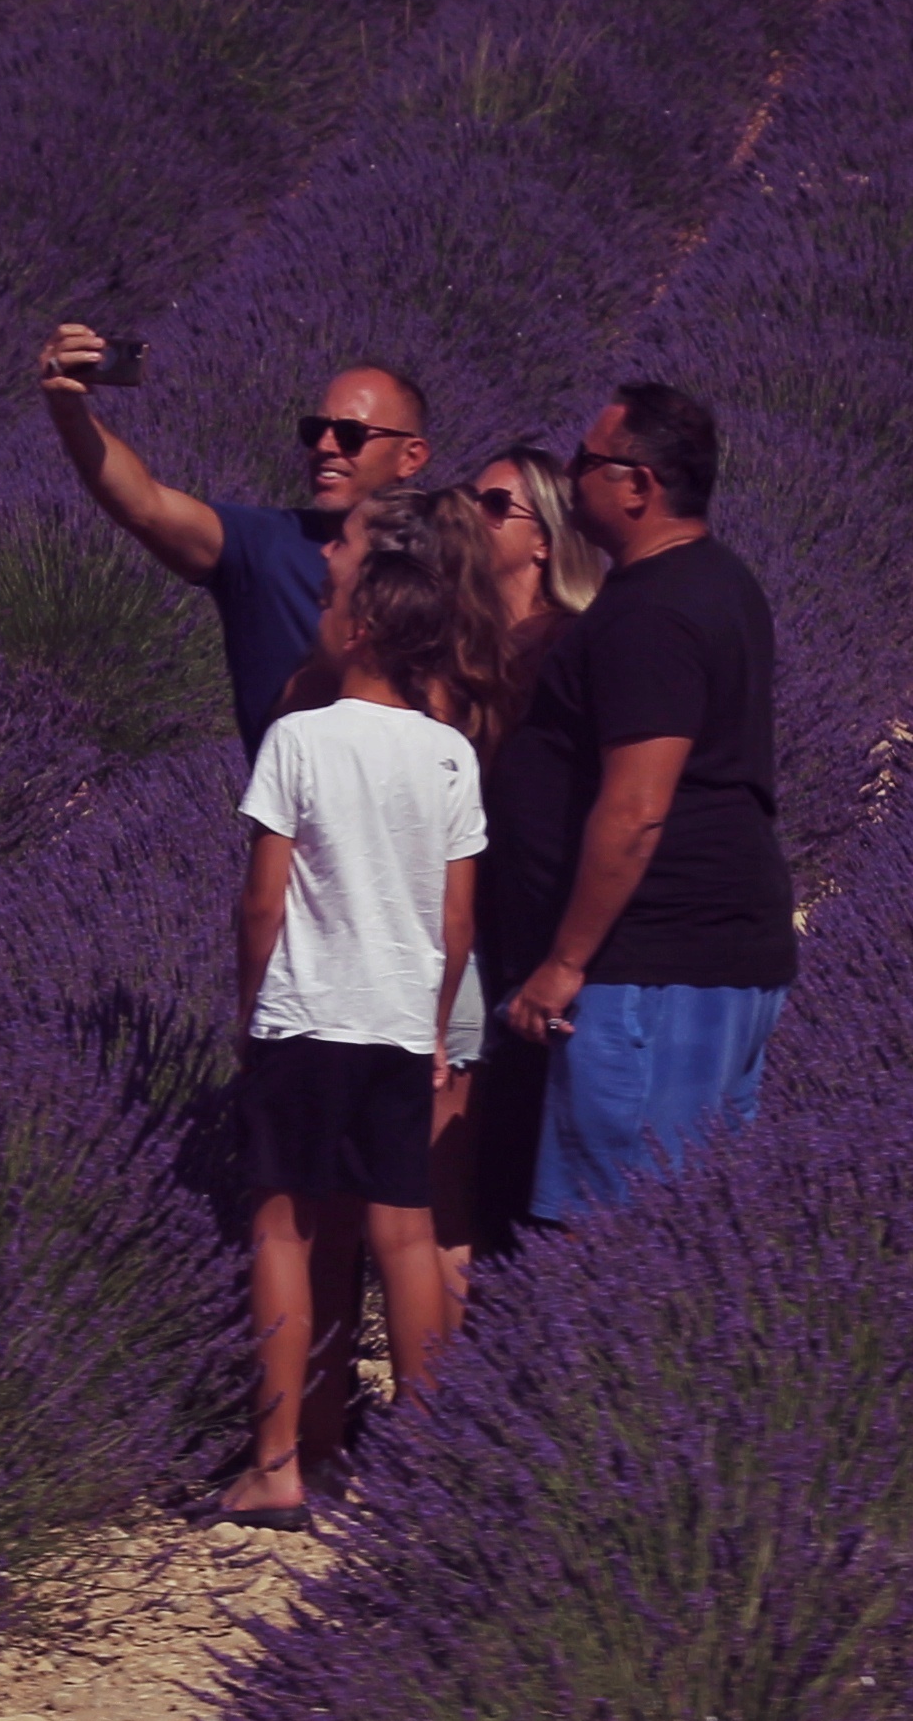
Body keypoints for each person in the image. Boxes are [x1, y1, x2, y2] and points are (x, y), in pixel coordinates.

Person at [216, 491, 509, 1526]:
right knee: (406, 1232)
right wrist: (432, 1022)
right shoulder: (451, 756)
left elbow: (262, 901)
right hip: (398, 1025)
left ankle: (278, 1462)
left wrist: (252, 1009)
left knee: (285, 1230)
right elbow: (460, 918)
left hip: (305, 1019)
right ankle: (425, 1465)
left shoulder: (298, 739)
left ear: (366, 627)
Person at [493, 383, 791, 1224]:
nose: (573, 476)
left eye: (588, 462)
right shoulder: (717, 581)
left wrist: (565, 963)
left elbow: (636, 809)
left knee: (616, 1231)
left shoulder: (653, 612)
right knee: (681, 1229)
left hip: (653, 969)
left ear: (639, 485)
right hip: (705, 959)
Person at [37, 322, 430, 748]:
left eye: (351, 435)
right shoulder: (266, 545)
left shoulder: (451, 562)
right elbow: (144, 506)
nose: (326, 446)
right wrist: (67, 409)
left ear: (411, 457)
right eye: (314, 431)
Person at [450, 442, 606, 1264]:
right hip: (481, 926)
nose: (473, 519)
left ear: (544, 537)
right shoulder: (468, 650)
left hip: (542, 934)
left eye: (495, 505)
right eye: (469, 502)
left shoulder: (567, 644)